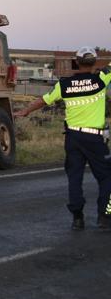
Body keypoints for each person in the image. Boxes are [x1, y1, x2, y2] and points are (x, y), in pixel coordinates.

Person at [15, 46, 111, 230]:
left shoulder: (64, 85)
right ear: (94, 63)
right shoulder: (101, 79)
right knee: (107, 178)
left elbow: (43, 100)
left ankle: (77, 218)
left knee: (75, 178)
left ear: (76, 62)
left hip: (73, 137)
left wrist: (25, 111)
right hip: (95, 139)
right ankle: (105, 218)